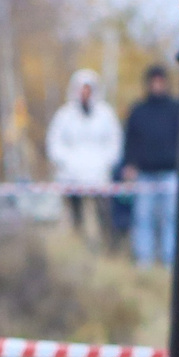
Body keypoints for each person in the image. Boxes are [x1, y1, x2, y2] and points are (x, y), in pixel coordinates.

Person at [45, 68, 123, 236]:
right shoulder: (64, 115)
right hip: (71, 177)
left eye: (88, 89)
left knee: (102, 218)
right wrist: (67, 163)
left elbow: (114, 142)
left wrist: (105, 163)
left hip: (99, 177)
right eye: (82, 88)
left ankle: (106, 250)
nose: (85, 93)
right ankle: (78, 247)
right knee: (76, 219)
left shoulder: (105, 114)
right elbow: (54, 143)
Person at [121, 64, 179, 267]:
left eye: (160, 81)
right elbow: (129, 140)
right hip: (145, 173)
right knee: (143, 218)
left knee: (170, 218)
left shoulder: (176, 110)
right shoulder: (138, 111)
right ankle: (144, 260)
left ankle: (169, 259)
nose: (157, 86)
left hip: (170, 172)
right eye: (153, 82)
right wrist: (129, 164)